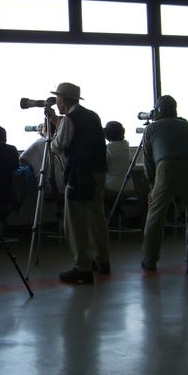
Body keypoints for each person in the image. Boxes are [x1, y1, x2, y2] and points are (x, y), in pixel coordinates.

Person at [45, 82, 108, 284]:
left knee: (74, 223)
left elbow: (57, 146)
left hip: (79, 174)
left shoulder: (69, 119)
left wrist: (50, 135)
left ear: (63, 99)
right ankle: (102, 260)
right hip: (97, 173)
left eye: (57, 99)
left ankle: (82, 267)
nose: (56, 103)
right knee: (96, 218)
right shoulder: (92, 116)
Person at [140, 95, 188, 274]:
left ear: (158, 110)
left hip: (166, 166)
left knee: (156, 215)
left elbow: (148, 161)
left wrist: (152, 186)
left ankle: (150, 259)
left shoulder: (151, 128)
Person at [103, 121, 134, 199]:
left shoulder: (109, 147)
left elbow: (102, 165)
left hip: (113, 187)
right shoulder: (126, 144)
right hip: (128, 186)